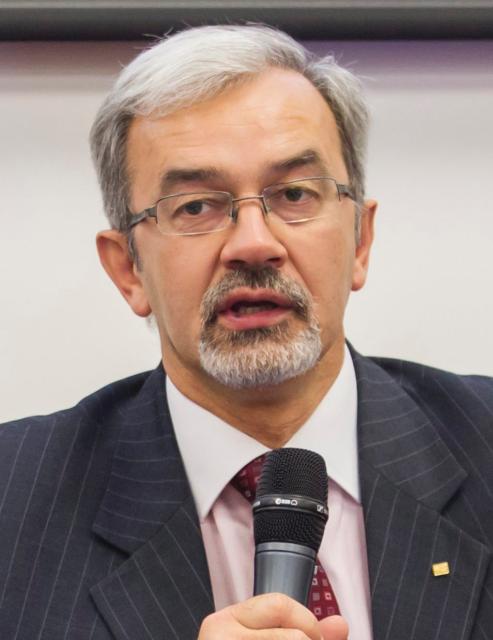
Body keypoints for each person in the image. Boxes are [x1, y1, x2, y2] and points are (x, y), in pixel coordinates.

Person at [0, 24, 492, 640]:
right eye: (196, 207)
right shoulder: (13, 501)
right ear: (128, 270)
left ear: (360, 241)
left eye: (295, 194)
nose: (254, 244)